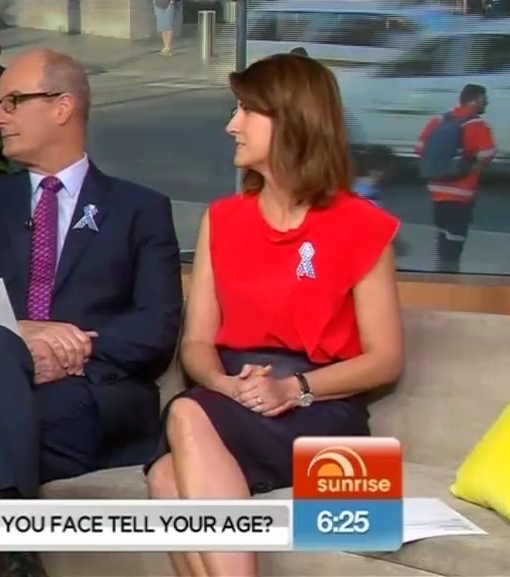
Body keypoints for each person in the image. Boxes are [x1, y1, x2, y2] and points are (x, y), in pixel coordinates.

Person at [0, 48, 184, 577]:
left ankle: (4, 539)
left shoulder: (140, 210)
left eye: (11, 102)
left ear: (62, 107)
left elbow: (157, 325)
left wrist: (72, 347)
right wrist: (18, 337)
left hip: (88, 397)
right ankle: (13, 544)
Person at [145, 53, 404, 577]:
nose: (231, 125)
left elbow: (385, 359)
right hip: (231, 399)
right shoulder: (222, 219)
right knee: (165, 477)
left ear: (290, 120)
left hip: (319, 408)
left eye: (245, 110)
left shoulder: (361, 224)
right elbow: (196, 343)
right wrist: (226, 385)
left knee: (184, 416)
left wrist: (293, 388)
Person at [415, 84, 495, 273]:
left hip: (436, 191)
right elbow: (487, 153)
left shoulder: (438, 121)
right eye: (484, 100)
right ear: (475, 100)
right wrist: (472, 167)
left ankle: (440, 273)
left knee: (442, 237)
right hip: (461, 193)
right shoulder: (476, 125)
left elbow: (419, 149)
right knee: (455, 240)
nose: (487, 103)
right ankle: (449, 278)